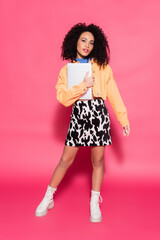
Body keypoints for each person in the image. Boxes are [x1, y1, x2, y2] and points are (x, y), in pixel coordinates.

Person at [35, 23, 130, 223]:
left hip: (99, 115)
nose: (87, 45)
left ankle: (94, 201)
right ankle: (48, 197)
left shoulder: (103, 67)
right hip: (79, 115)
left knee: (98, 161)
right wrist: (82, 86)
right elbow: (62, 97)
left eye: (91, 42)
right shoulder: (66, 70)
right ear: (75, 41)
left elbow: (113, 93)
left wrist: (123, 119)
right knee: (65, 160)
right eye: (83, 40)